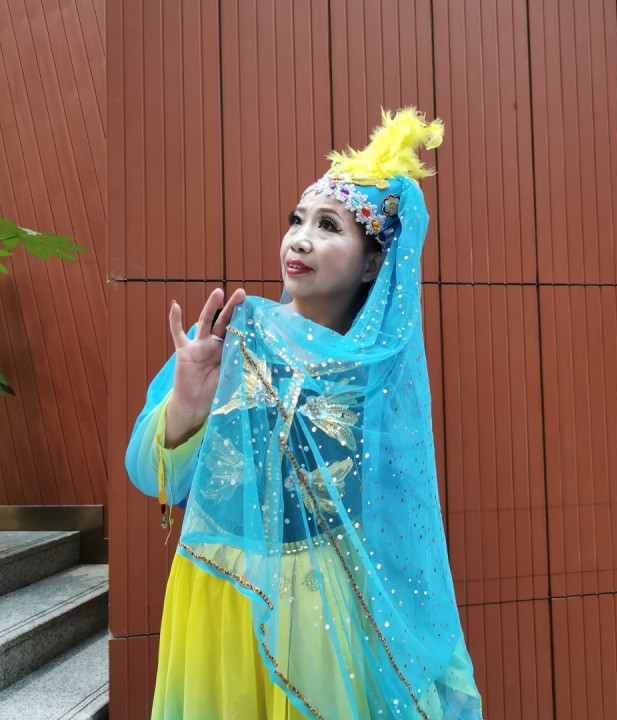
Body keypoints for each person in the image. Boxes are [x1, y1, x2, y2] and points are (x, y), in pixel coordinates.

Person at [126, 108, 483, 720]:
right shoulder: (228, 338)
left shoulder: (375, 379)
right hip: (217, 591)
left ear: (372, 264)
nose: (299, 238)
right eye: (297, 220)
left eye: (328, 225)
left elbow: (397, 530)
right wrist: (187, 404)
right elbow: (148, 474)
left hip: (319, 609)